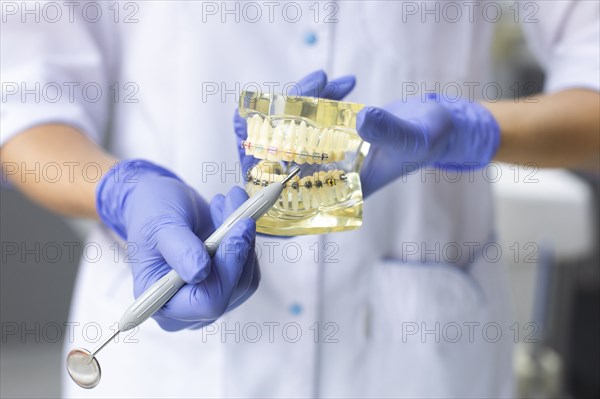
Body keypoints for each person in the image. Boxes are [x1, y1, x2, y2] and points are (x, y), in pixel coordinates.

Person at [1, 1, 598, 397]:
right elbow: (21, 103)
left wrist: (475, 130)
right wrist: (121, 191)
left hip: (415, 356)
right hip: (170, 368)